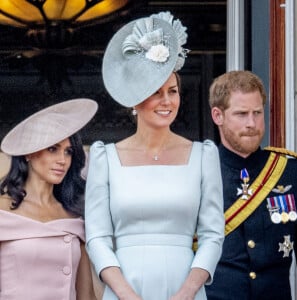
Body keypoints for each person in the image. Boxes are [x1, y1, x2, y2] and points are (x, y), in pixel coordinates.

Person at [85, 11, 224, 300]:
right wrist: (127, 295)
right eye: (156, 92)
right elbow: (97, 238)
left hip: (185, 290)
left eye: (172, 91)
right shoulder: (105, 158)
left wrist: (186, 293)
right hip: (125, 290)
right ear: (135, 99)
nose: (167, 101)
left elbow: (212, 235)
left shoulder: (203, 156)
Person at [205, 70, 297, 300]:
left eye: (257, 113)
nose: (252, 123)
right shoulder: (200, 170)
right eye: (241, 114)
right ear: (218, 115)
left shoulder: (289, 171)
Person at [0, 98, 98, 300]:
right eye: (53, 149)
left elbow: (86, 296)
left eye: (68, 152)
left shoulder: (74, 217)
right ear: (28, 153)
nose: (62, 160)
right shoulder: (2, 213)